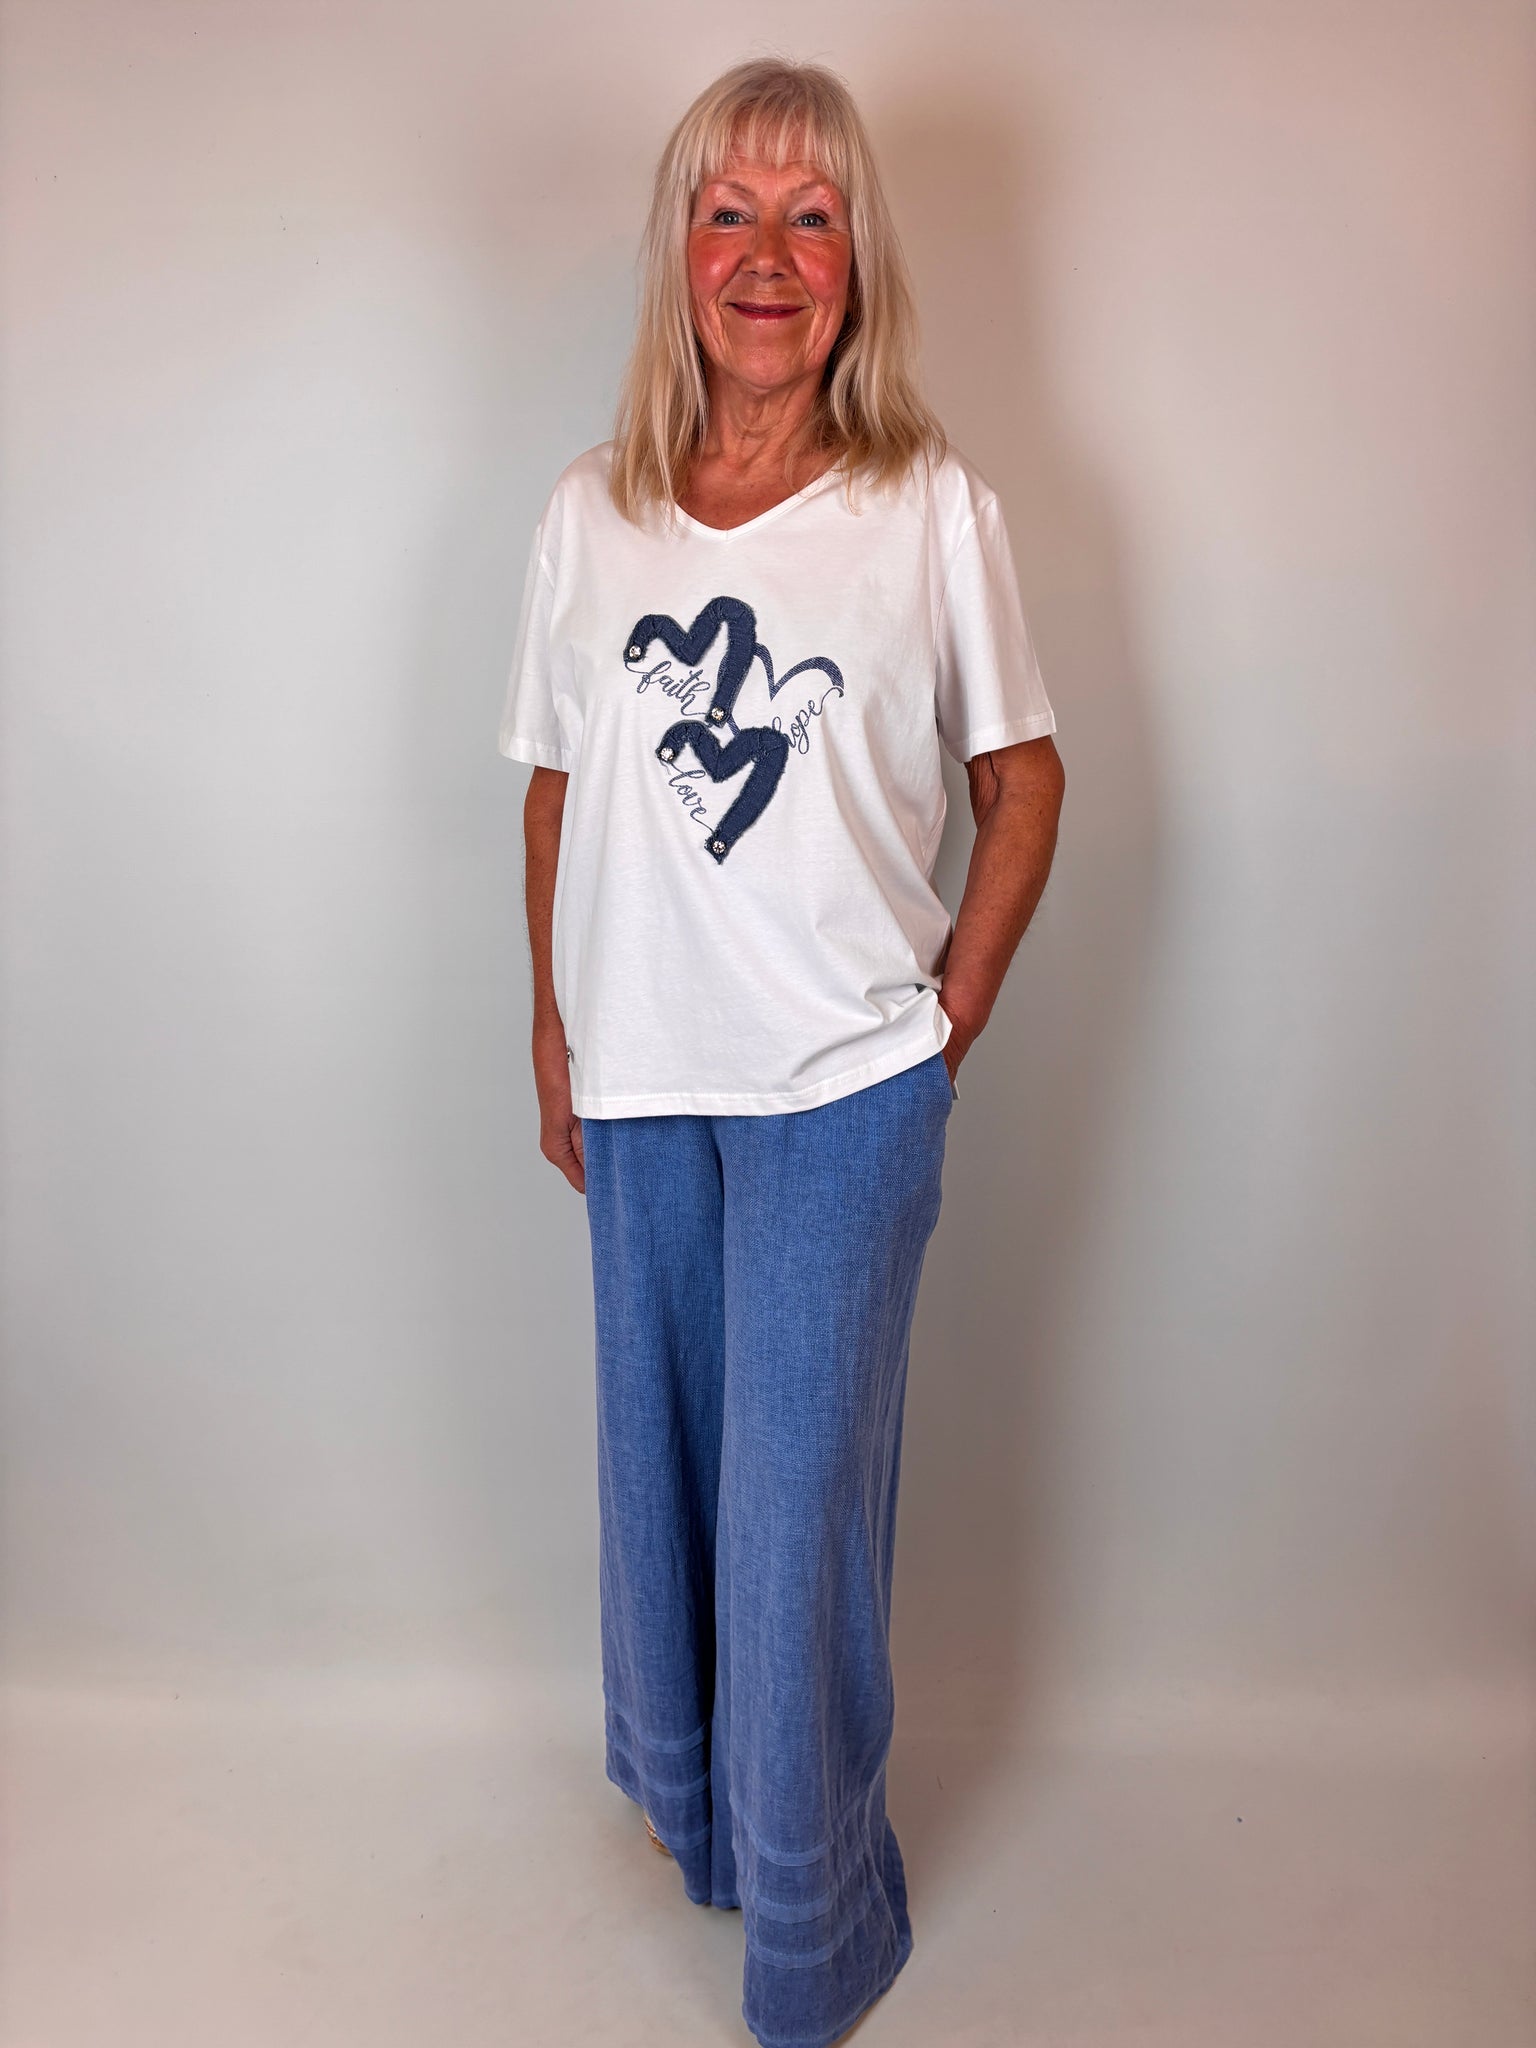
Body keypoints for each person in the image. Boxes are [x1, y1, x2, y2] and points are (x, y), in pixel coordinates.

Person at [499, 56, 1064, 2048]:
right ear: (679, 254)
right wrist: (555, 1032)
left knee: (794, 1513)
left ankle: (817, 1940)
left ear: (857, 265)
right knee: (666, 1489)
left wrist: (948, 1020)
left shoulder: (930, 509)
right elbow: (556, 787)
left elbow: (1022, 781)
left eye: (810, 216)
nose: (767, 254)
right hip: (646, 1083)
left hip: (842, 1093)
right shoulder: (593, 513)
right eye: (728, 212)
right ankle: (714, 1833)